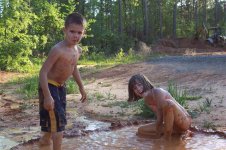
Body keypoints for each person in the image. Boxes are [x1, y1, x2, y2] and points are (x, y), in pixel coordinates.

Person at [38, 12, 87, 150]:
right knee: (59, 121)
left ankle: (44, 140)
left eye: (79, 32)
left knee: (54, 116)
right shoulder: (58, 50)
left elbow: (74, 68)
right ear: (65, 30)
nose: (75, 36)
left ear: (84, 33)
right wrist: (47, 96)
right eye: (72, 31)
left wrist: (81, 87)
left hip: (61, 87)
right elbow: (43, 72)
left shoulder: (78, 50)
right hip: (49, 86)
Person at [128, 74, 192, 141]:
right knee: (140, 130)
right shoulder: (146, 100)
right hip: (172, 125)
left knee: (168, 103)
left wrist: (158, 136)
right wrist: (157, 137)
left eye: (139, 84)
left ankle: (168, 140)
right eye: (135, 88)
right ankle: (178, 134)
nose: (138, 89)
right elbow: (160, 119)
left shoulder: (157, 92)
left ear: (145, 83)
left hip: (183, 122)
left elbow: (161, 118)